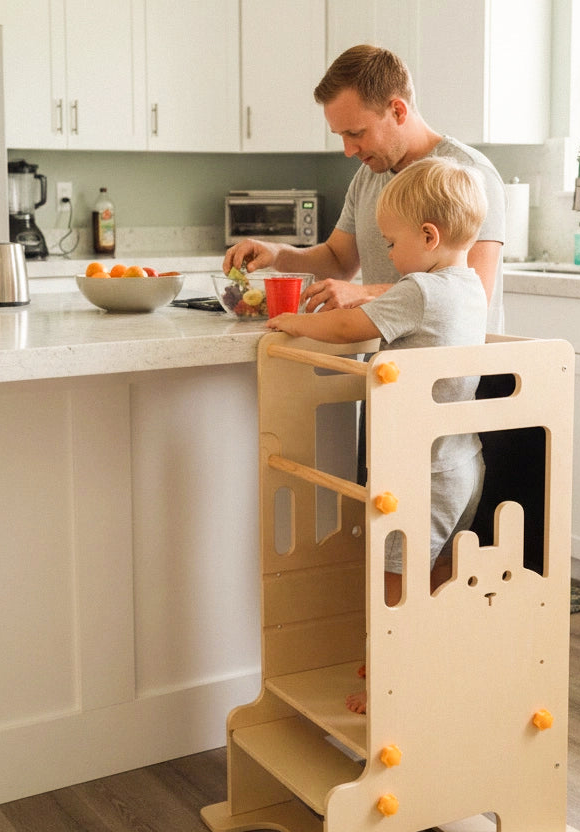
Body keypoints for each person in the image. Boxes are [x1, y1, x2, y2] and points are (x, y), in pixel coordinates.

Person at [267, 155, 488, 714]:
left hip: (420, 471)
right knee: (433, 577)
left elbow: (346, 326)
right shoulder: (467, 288)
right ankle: (423, 670)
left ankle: (390, 691)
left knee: (393, 585)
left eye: (390, 242)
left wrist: (291, 321)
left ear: (428, 236)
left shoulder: (420, 289)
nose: (385, 255)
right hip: (462, 463)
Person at [223, 44, 505, 335]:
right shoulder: (369, 175)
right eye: (341, 135)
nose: (348, 150)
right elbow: (338, 260)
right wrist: (277, 254)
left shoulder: (468, 174)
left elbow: (470, 294)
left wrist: (364, 293)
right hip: (391, 370)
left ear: (397, 110)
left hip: (454, 374)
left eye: (356, 133)